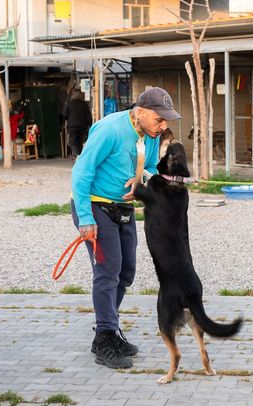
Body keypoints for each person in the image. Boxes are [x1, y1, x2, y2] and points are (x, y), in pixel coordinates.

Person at [71, 87, 181, 369]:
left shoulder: (150, 135)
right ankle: (105, 337)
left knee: (126, 270)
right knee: (108, 271)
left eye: (166, 120)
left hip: (123, 208)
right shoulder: (110, 130)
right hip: (96, 207)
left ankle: (109, 327)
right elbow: (82, 171)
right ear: (142, 112)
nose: (164, 125)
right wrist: (85, 218)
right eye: (160, 119)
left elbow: (150, 169)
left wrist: (147, 183)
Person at [62, 89, 92, 159]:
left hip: (71, 126)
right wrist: (89, 124)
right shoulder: (84, 104)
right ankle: (79, 155)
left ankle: (76, 155)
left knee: (72, 141)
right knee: (80, 141)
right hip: (82, 126)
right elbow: (88, 116)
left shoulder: (69, 103)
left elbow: (64, 114)